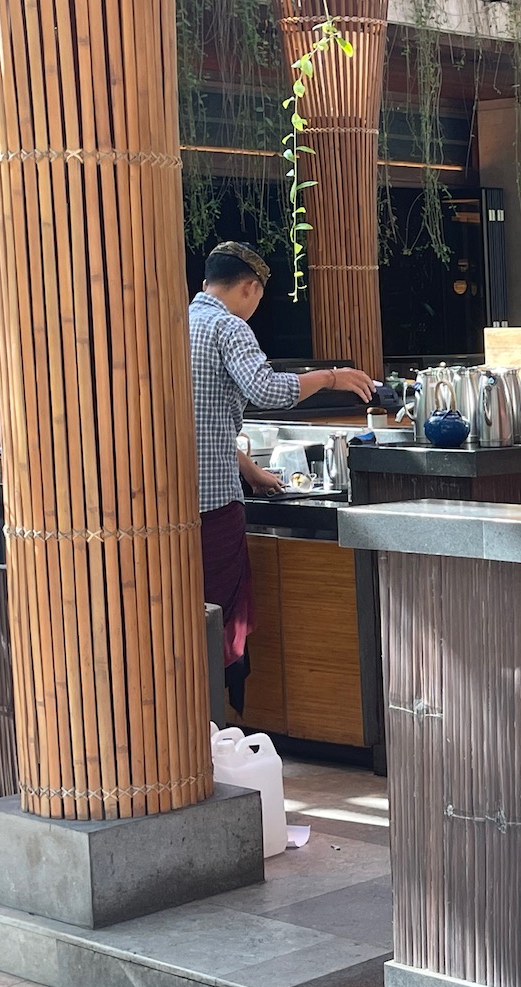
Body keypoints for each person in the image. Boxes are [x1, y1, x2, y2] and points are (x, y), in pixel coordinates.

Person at [191, 241, 373, 703]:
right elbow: (267, 389)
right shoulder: (228, 327)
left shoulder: (178, 322)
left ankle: (196, 713)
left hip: (174, 503)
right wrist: (331, 377)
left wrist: (249, 468)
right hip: (214, 504)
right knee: (220, 609)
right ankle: (216, 716)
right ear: (250, 288)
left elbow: (197, 418)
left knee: (188, 606)